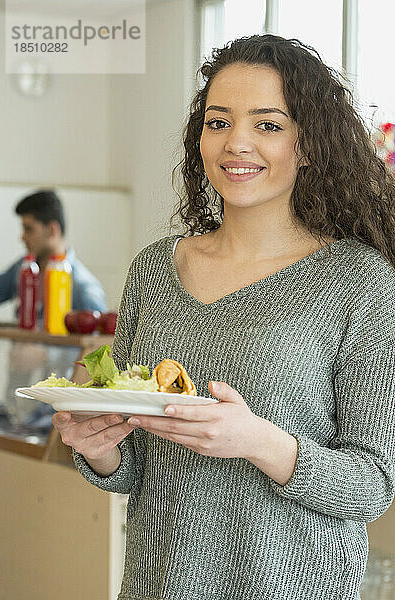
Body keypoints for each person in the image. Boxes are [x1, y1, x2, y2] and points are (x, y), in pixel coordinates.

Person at [53, 34, 395, 600]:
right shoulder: (155, 270)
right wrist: (99, 445)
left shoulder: (357, 281)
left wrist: (260, 441)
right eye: (218, 122)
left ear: (308, 144)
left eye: (268, 125)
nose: (237, 143)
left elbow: (372, 485)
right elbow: (137, 469)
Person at [0, 189, 107, 314]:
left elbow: (101, 331)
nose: (22, 237)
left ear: (52, 230)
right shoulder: (22, 268)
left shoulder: (84, 288)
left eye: (29, 229)